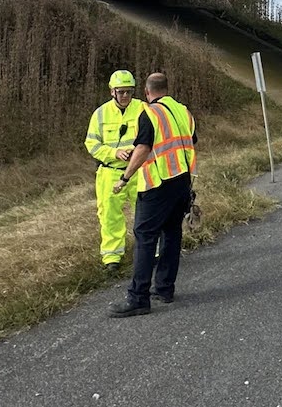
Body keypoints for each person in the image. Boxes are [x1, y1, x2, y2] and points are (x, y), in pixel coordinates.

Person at [109, 71, 198, 317]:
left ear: (147, 93)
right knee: (171, 233)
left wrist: (125, 177)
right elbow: (191, 141)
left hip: (158, 183)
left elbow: (143, 148)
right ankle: (165, 288)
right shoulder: (183, 111)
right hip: (182, 180)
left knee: (145, 236)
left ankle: (138, 298)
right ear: (166, 89)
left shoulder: (148, 113)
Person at [84, 70, 147, 273]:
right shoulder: (100, 114)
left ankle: (150, 251)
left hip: (140, 170)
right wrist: (114, 153)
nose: (126, 96)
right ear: (112, 91)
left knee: (146, 212)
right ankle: (112, 257)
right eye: (121, 92)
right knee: (109, 215)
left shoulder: (143, 109)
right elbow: (91, 144)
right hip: (110, 172)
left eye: (129, 92)